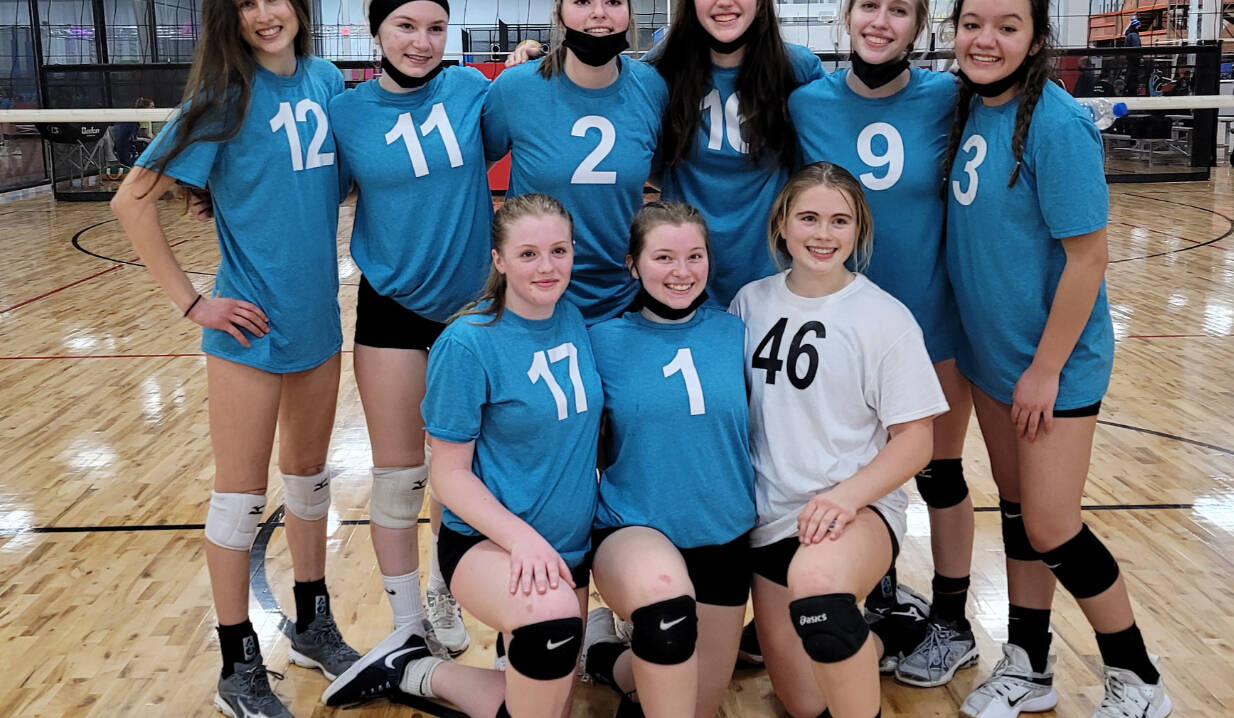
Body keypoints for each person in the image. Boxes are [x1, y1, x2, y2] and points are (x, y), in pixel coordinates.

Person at [110, 0, 356, 718]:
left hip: (319, 323)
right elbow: (130, 200)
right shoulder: (223, 95)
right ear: (231, 16)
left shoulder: (326, 82)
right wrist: (192, 303)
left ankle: (314, 624)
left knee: (311, 487)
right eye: (246, 4)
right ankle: (237, 665)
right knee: (238, 504)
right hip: (247, 331)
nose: (264, 15)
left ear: (297, 2)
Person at [944, 0, 1172, 718]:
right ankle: (1030, 663)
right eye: (973, 23)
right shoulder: (970, 111)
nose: (987, 39)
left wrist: (1044, 370)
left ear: (1037, 38)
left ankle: (1137, 676)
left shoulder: (1057, 122)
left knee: (1050, 523)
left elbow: (1088, 258)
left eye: (1007, 27)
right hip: (989, 355)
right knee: (1016, 513)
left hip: (1051, 367)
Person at [323, 193, 600, 718]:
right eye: (528, 254)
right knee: (552, 628)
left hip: (569, 550)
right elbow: (448, 477)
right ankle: (423, 669)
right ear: (498, 260)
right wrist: (522, 540)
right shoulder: (468, 343)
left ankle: (418, 671)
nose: (547, 267)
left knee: (550, 701)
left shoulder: (573, 319)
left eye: (559, 251)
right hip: (489, 547)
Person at [789, 0, 979, 687]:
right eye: (869, 5)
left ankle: (954, 621)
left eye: (899, 10)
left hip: (927, 320)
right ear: (847, 14)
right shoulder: (809, 101)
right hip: (838, 324)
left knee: (938, 470)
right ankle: (881, 594)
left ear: (920, 26)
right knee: (853, 467)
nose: (880, 20)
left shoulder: (949, 98)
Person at [322, 0, 493, 683]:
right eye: (405, 25)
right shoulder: (347, 112)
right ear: (375, 30)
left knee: (465, 473)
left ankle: (445, 591)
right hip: (390, 309)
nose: (421, 41)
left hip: (472, 314)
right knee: (398, 478)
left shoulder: (473, 92)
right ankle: (406, 627)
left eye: (434, 26)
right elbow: (306, 192)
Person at [730, 162, 945, 718]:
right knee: (802, 702)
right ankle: (876, 640)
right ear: (782, 225)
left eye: (839, 221)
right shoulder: (750, 303)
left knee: (819, 591)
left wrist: (846, 497)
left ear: (858, 230)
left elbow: (916, 440)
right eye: (808, 218)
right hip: (769, 518)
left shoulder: (883, 318)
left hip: (852, 513)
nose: (823, 234)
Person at [579, 201, 755, 717]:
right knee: (666, 621)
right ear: (632, 264)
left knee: (696, 702)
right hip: (635, 526)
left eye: (694, 257)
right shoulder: (602, 341)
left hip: (723, 533)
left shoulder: (735, 333)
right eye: (663, 258)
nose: (681, 272)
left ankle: (607, 655)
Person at [483, 0, 667, 324]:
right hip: (535, 297)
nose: (599, 13)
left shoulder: (651, 87)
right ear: (559, 13)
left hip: (624, 298)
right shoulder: (516, 89)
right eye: (582, 1)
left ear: (629, 13)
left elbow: (667, 177)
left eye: (613, 1)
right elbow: (471, 175)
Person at [647, 0, 824, 308]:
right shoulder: (661, 73)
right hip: (685, 273)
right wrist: (535, 59)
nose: (724, 0)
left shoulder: (797, 69)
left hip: (774, 272)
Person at [113, 96, 156, 165]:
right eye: (151, 107)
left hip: (129, 147)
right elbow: (138, 136)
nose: (154, 109)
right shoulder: (135, 120)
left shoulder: (135, 119)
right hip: (127, 149)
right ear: (145, 109)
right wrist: (151, 140)